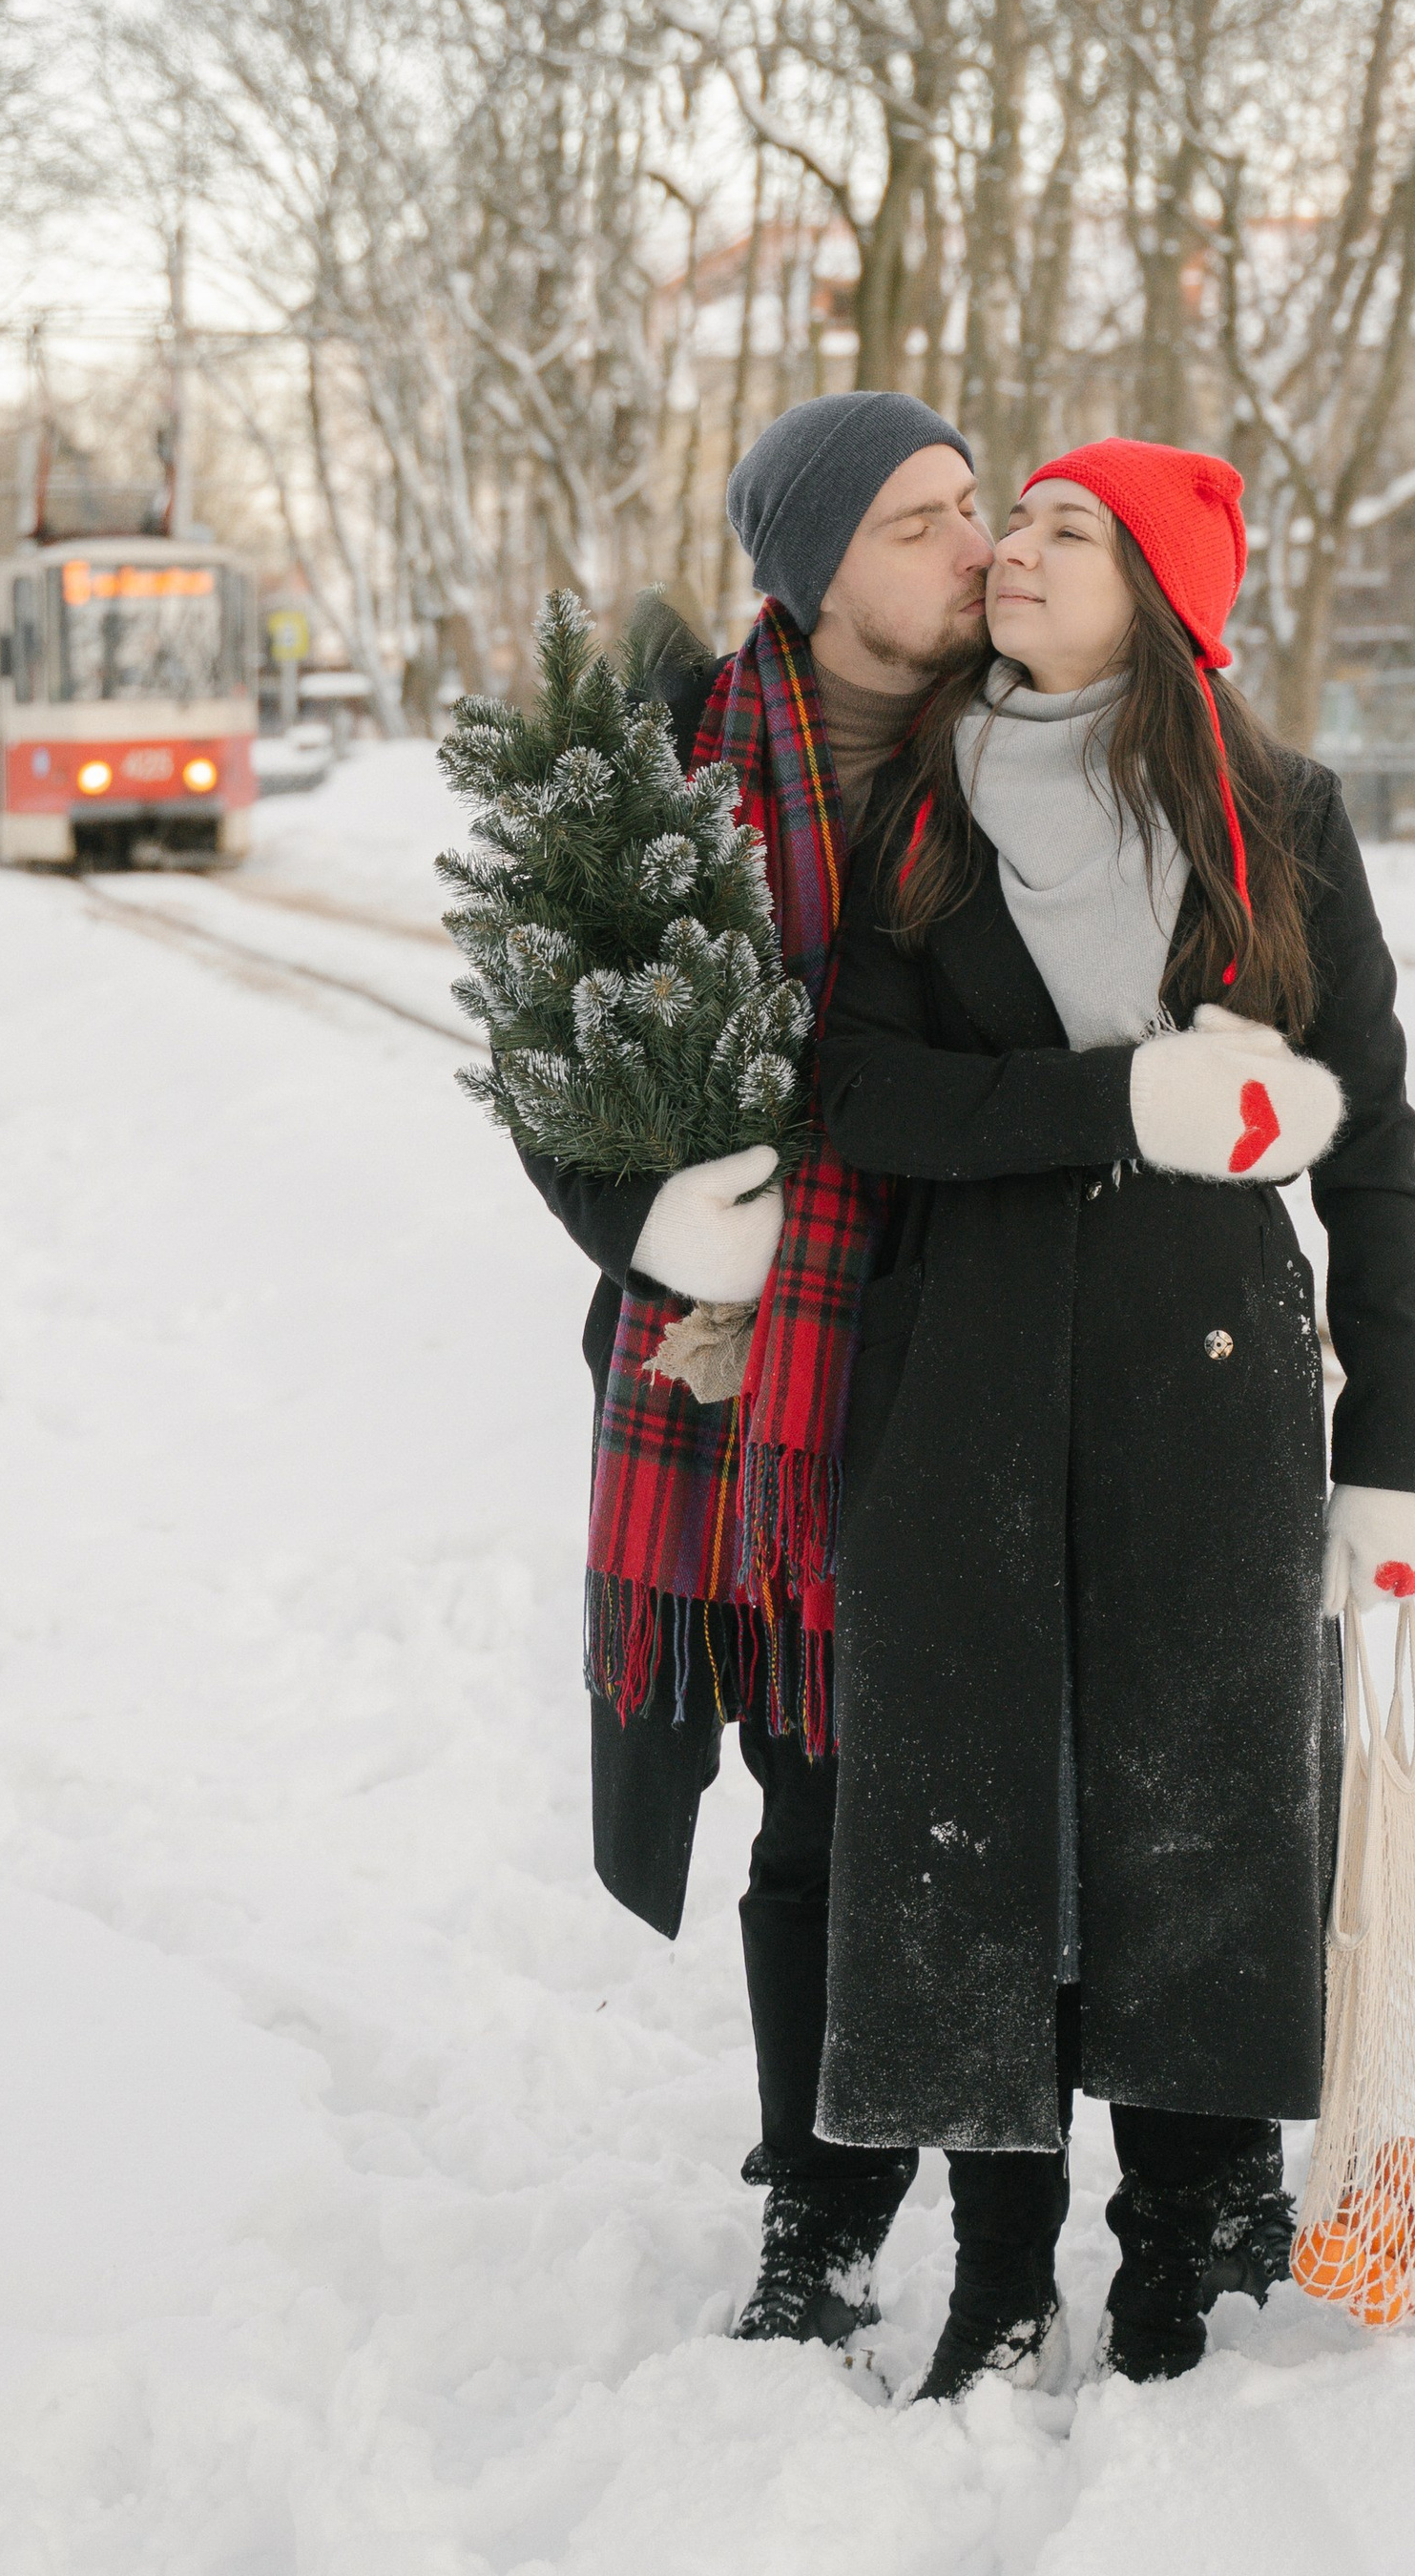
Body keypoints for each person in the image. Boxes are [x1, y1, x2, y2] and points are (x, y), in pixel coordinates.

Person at [813, 438, 1415, 2398]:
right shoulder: (919, 803)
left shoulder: (1277, 815)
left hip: (1210, 1380)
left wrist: (1395, 1449)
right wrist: (1120, 1102)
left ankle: (1193, 2242)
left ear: (1160, 595)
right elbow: (859, 1090)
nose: (1011, 546)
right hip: (964, 1379)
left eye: (1063, 527)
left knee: (1201, 1808)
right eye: (1014, 517)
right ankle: (1001, 2270)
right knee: (978, 1819)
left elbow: (1372, 1148)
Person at [511, 388, 989, 2351]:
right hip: (743, 1380)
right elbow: (549, 1057)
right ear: (812, 569)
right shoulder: (665, 779)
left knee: (967, 1787)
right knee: (814, 1789)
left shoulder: (1026, 742)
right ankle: (821, 2208)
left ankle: (1029, 2204)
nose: (972, 544)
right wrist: (644, 1221)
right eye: (916, 519)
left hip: (970, 1342)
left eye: (974, 500)